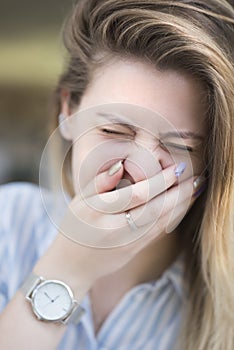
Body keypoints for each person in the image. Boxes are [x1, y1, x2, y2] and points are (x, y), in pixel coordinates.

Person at [0, 0, 233, 349]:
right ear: (68, 110)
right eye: (114, 132)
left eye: (177, 145)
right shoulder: (7, 224)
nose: (139, 170)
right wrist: (66, 270)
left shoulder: (222, 298)